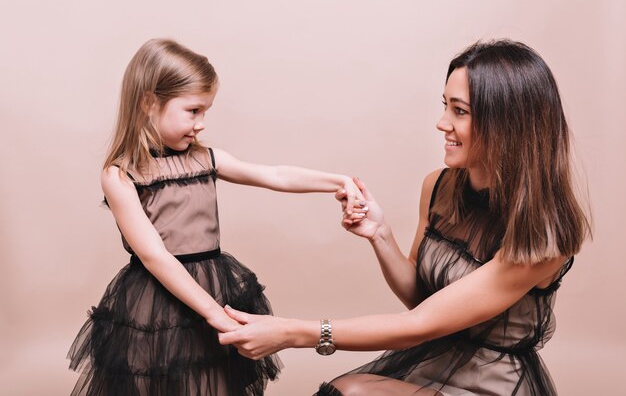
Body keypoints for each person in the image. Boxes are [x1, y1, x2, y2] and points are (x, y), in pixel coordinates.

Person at [218, 39, 591, 396]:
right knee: (343, 392)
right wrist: (379, 234)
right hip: (433, 359)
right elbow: (421, 299)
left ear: (507, 125)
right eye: (445, 105)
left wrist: (291, 333)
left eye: (459, 111)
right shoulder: (438, 186)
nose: (442, 123)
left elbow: (419, 324)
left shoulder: (543, 234)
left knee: (355, 391)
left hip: (492, 381)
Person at [66, 38, 368, 396]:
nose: (201, 124)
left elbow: (274, 175)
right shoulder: (122, 175)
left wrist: (339, 181)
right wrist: (214, 314)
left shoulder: (205, 158)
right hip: (157, 299)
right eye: (193, 111)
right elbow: (154, 255)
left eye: (205, 112)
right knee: (157, 384)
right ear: (149, 102)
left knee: (215, 382)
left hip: (213, 283)